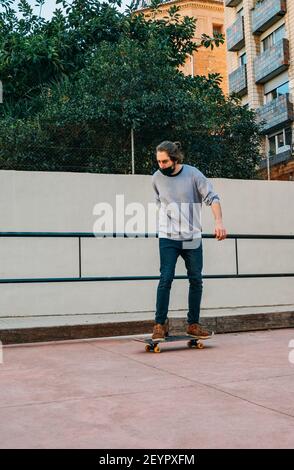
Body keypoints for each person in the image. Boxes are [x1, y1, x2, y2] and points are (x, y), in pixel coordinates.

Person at [151, 140, 227, 341]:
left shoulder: (193, 174)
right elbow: (159, 202)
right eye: (158, 161)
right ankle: (160, 324)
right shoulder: (156, 178)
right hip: (168, 237)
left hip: (192, 236)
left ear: (175, 159)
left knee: (196, 279)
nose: (161, 166)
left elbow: (213, 197)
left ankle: (193, 324)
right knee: (165, 278)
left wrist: (218, 222)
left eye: (165, 162)